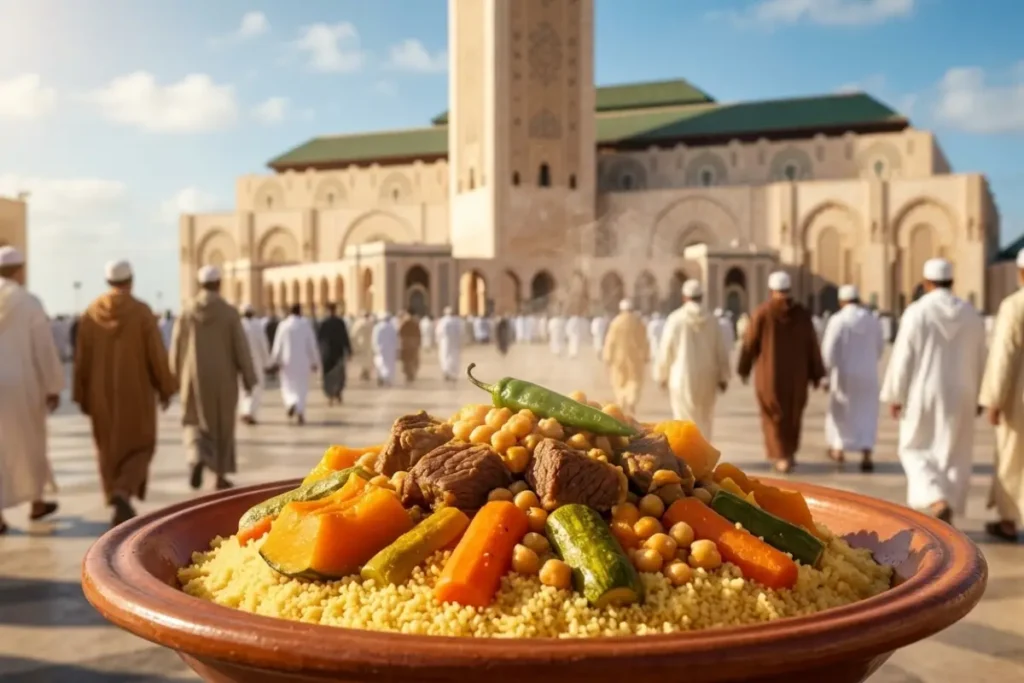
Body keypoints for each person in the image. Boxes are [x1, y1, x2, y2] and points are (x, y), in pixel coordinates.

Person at [881, 258, 986, 523]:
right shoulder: (970, 314)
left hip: (923, 392)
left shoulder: (917, 312)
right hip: (963, 391)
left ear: (927, 282)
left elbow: (903, 356)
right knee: (954, 450)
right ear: (952, 281)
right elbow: (981, 355)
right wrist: (981, 394)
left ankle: (936, 498)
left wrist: (896, 394)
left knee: (914, 446)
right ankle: (946, 499)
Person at [75, 260, 177, 525]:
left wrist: (82, 393)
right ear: (130, 280)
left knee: (107, 449)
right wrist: (166, 387)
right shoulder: (142, 312)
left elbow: (81, 359)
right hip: (137, 394)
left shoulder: (91, 313)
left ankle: (116, 495)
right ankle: (123, 491)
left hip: (100, 396)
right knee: (141, 446)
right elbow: (156, 355)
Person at [172, 266, 256, 490]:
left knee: (193, 421)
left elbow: (177, 346)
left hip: (192, 377)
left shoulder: (187, 311)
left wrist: (172, 377)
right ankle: (219, 475)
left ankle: (196, 456)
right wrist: (249, 377)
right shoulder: (229, 312)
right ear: (219, 284)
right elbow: (240, 347)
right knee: (222, 426)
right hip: (223, 378)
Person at [0, 247, 63, 534]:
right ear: (19, 269)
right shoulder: (28, 302)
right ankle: (36, 502)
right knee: (31, 443)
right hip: (22, 384)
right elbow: (43, 347)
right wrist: (52, 385)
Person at [737, 271, 825, 474]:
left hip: (770, 377)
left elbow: (749, 344)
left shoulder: (762, 313)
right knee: (793, 414)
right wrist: (817, 373)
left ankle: (780, 456)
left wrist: (744, 368)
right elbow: (812, 345)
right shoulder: (802, 314)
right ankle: (789, 453)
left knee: (773, 415)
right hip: (797, 377)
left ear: (771, 290)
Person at [979, 249, 1024, 542]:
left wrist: (994, 399)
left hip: (1018, 400)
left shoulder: (1014, 306)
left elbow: (1003, 358)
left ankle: (1009, 521)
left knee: (1013, 458)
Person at [655, 280, 731, 440]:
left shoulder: (675, 319)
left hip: (681, 378)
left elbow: (666, 350)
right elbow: (721, 350)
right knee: (705, 419)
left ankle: (688, 457)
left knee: (684, 419)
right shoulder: (712, 320)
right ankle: (703, 459)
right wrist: (723, 377)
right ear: (701, 297)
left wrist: (661, 375)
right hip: (707, 378)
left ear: (684, 298)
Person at [820, 285, 885, 472]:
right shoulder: (873, 320)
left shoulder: (838, 320)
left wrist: (826, 374)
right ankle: (866, 453)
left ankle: (839, 449)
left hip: (844, 375)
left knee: (841, 412)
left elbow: (828, 350)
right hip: (868, 375)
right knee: (867, 413)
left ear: (842, 301)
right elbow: (880, 347)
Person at [270, 303, 320, 425]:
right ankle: (300, 411)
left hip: (287, 362)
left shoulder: (283, 325)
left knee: (287, 386)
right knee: (301, 388)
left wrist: (274, 361)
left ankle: (291, 403)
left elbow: (278, 345)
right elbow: (311, 345)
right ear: (300, 311)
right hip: (303, 361)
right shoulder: (305, 325)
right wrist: (315, 361)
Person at [602, 299, 649, 416]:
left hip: (619, 357)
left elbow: (610, 341)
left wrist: (607, 356)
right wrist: (646, 355)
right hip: (636, 358)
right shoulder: (639, 323)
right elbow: (645, 341)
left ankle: (622, 400)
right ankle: (631, 400)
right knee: (635, 380)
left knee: (619, 381)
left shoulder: (616, 322)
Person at [239, 304, 271, 425]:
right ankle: (249, 411)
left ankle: (244, 411)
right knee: (256, 387)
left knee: (243, 388)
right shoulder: (257, 326)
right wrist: (267, 362)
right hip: (256, 361)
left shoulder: (239, 325)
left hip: (241, 362)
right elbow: (263, 344)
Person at [318, 303, 352, 405]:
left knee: (328, 375)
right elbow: (345, 337)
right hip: (338, 352)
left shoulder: (324, 323)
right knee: (338, 374)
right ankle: (337, 393)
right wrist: (349, 350)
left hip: (327, 353)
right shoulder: (339, 322)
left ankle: (331, 395)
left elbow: (319, 339)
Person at [436, 306, 462, 383]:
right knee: (455, 357)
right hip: (455, 343)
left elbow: (439, 332)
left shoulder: (443, 321)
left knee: (445, 356)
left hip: (445, 343)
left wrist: (437, 341)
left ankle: (446, 372)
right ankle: (454, 374)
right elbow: (461, 333)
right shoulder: (457, 321)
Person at [372, 312, 399, 386]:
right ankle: (387, 378)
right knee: (389, 364)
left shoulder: (377, 327)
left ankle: (382, 377)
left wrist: (375, 348)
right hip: (390, 349)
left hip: (380, 349)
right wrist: (396, 348)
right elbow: (395, 339)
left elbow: (375, 338)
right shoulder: (392, 327)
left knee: (380, 364)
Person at [397, 310, 422, 383]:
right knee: (412, 360)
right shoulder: (414, 324)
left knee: (407, 361)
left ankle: (409, 373)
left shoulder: (404, 324)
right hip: (412, 344)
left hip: (406, 344)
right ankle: (411, 373)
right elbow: (419, 335)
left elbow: (400, 334)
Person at [349, 312, 374, 381]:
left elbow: (353, 333)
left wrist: (353, 342)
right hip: (369, 342)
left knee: (363, 359)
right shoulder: (371, 323)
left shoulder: (358, 323)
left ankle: (364, 372)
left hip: (361, 342)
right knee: (368, 358)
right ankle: (366, 372)